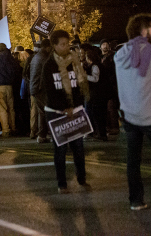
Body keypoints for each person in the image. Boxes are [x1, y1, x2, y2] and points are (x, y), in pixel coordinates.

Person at [115, 13, 151, 210]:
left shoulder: (120, 53)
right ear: (143, 30)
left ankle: (136, 200)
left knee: (133, 160)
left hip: (129, 114)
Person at [41, 30, 90, 194]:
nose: (66, 47)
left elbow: (79, 88)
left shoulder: (74, 62)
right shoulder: (49, 66)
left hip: (75, 110)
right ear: (54, 46)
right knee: (60, 149)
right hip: (56, 112)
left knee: (78, 146)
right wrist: (64, 108)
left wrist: (76, 105)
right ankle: (62, 183)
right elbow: (49, 91)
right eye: (62, 44)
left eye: (67, 43)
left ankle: (82, 178)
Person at [29, 38, 52, 143]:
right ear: (47, 47)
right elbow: (45, 75)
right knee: (48, 111)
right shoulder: (44, 58)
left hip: (34, 87)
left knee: (42, 112)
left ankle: (42, 135)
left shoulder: (36, 57)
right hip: (40, 88)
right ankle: (51, 134)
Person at [84, 49, 109, 141]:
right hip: (99, 94)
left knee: (97, 115)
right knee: (97, 114)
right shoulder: (96, 65)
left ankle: (101, 134)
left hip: (97, 95)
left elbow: (95, 79)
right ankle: (99, 133)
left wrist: (84, 76)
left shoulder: (95, 66)